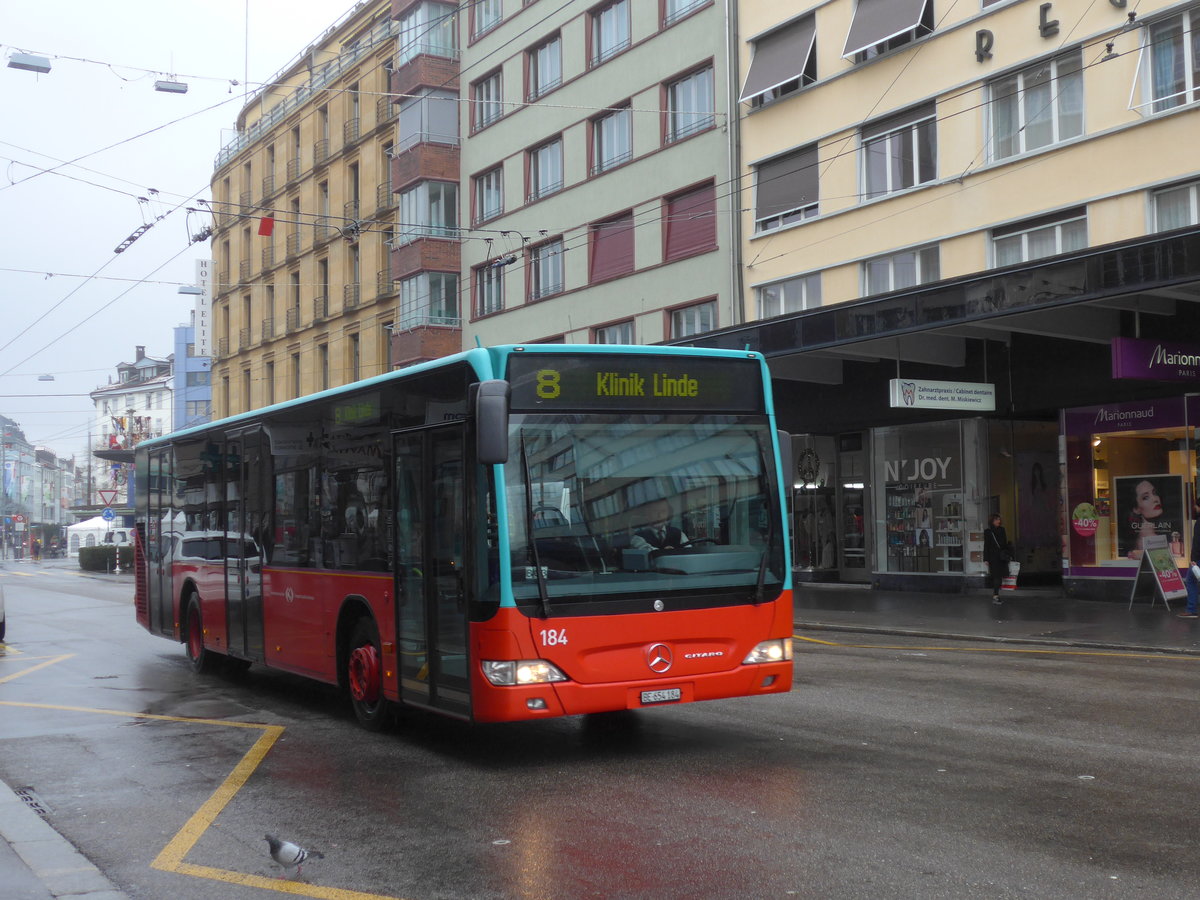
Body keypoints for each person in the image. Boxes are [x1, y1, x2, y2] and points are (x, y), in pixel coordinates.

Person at [1125, 478, 1164, 560]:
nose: (1155, 499)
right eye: (1146, 497)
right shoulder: (1149, 538)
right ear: (1136, 509)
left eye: (1154, 493)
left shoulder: (1149, 535)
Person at [1179, 495, 1200, 620]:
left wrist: (1193, 559)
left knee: (1191, 581)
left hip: (1199, 558)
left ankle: (1191, 609)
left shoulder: (1199, 523)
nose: (1195, 508)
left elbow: (1197, 542)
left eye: (1196, 506)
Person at [984, 513, 1010, 604]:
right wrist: (986, 559)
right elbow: (986, 545)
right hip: (995, 557)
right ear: (992, 521)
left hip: (999, 557)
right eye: (996, 520)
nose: (998, 521)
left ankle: (996, 595)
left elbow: (1004, 544)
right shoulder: (989, 532)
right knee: (997, 577)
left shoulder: (1000, 530)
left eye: (999, 519)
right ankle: (995, 596)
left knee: (998, 577)